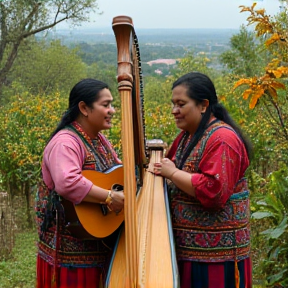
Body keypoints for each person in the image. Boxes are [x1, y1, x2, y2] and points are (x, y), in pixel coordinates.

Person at [153, 72, 252, 288]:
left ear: (203, 105)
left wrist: (172, 174)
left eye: (181, 104)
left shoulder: (222, 139)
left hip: (217, 260)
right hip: (192, 253)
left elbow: (214, 191)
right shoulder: (190, 134)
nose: (174, 111)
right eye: (173, 104)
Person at [35, 78, 124, 288]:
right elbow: (67, 182)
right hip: (70, 257)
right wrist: (110, 197)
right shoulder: (66, 142)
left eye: (112, 104)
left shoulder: (99, 139)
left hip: (94, 244)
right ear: (84, 108)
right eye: (106, 105)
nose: (112, 110)